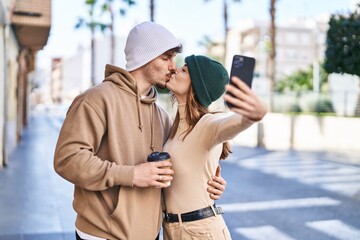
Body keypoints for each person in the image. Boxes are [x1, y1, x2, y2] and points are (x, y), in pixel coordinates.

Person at [53, 22, 226, 240]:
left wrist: (208, 185)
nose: (173, 66)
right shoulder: (97, 99)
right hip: (103, 234)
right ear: (144, 57)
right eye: (166, 57)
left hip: (151, 234)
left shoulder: (161, 116)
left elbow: (171, 173)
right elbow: (67, 159)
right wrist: (132, 174)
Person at [162, 55, 267, 239]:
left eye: (184, 69)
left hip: (200, 231)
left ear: (197, 86)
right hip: (173, 230)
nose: (175, 69)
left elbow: (231, 125)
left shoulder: (207, 124)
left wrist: (254, 114)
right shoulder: (174, 127)